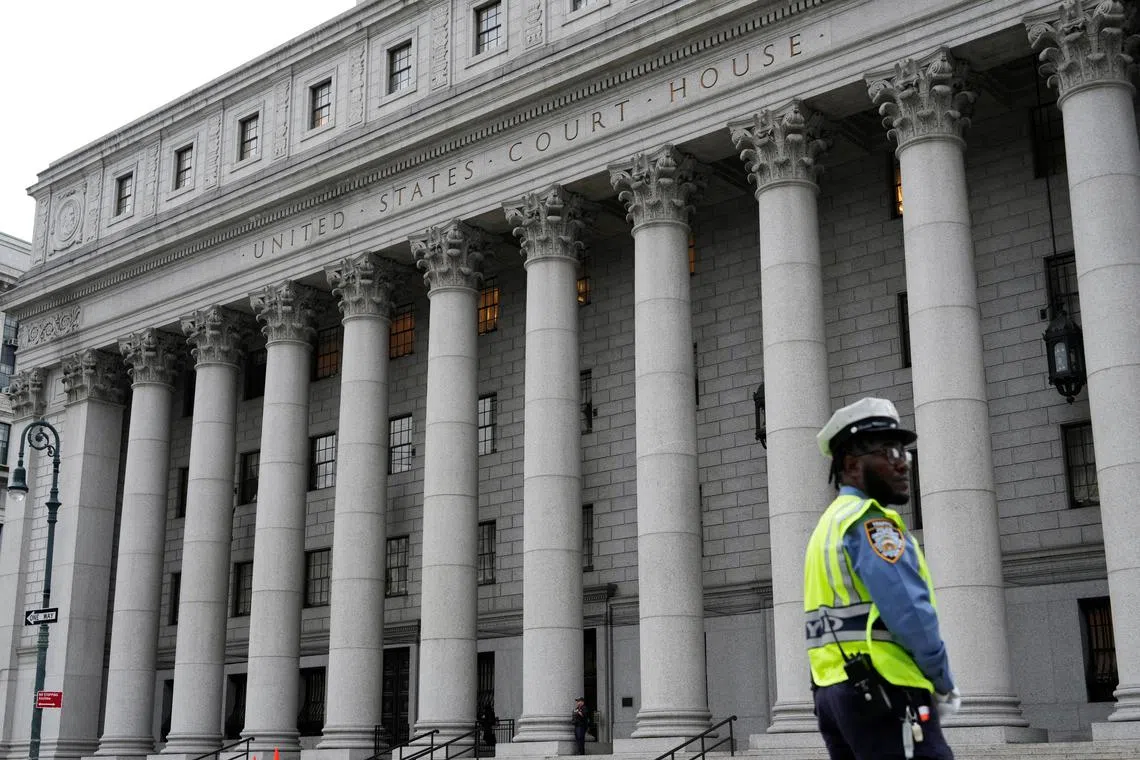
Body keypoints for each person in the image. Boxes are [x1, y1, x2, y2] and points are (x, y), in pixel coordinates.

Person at [804, 397, 961, 760]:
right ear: (852, 465)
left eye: (904, 453)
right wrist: (942, 680)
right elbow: (910, 612)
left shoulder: (827, 526)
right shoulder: (871, 521)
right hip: (886, 688)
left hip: (833, 692)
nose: (902, 464)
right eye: (889, 452)